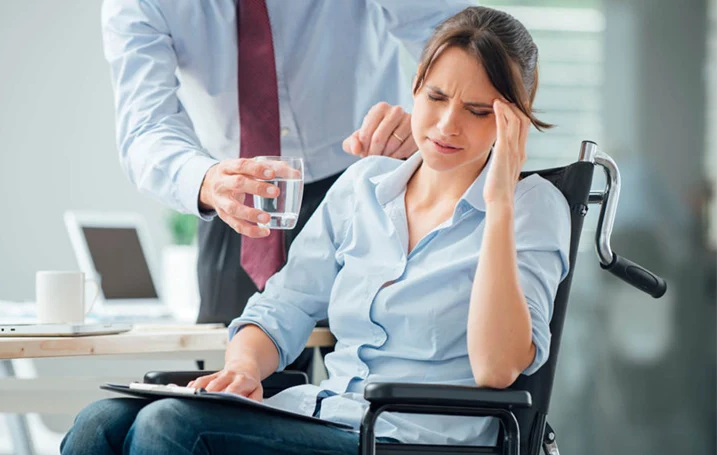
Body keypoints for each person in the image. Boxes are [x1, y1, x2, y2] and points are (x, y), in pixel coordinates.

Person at [62, 6, 571, 454]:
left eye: (478, 111)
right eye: (435, 97)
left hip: (409, 439)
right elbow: (283, 305)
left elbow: (497, 369)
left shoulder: (533, 208)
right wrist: (243, 368)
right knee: (98, 425)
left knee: (172, 428)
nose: (446, 125)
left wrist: (498, 199)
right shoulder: (364, 186)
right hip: (329, 416)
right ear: (414, 86)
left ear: (514, 120)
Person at [99, 0, 474, 376]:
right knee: (232, 386)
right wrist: (206, 180)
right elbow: (145, 126)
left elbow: (461, 38)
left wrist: (432, 119)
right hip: (234, 200)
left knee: (372, 370)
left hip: (367, 187)